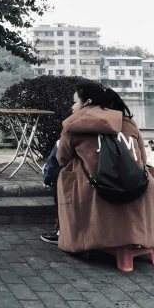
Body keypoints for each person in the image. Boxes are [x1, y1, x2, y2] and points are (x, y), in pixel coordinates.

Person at [55, 83, 154, 252]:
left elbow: (62, 158)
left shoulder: (74, 125)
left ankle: (66, 232)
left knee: (60, 175)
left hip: (97, 189)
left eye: (74, 102)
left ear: (87, 102)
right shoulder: (128, 122)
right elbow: (143, 160)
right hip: (139, 187)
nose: (72, 106)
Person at [40, 140, 61, 244]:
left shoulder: (71, 133)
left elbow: (54, 160)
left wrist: (46, 179)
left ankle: (61, 233)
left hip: (71, 180)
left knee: (55, 174)